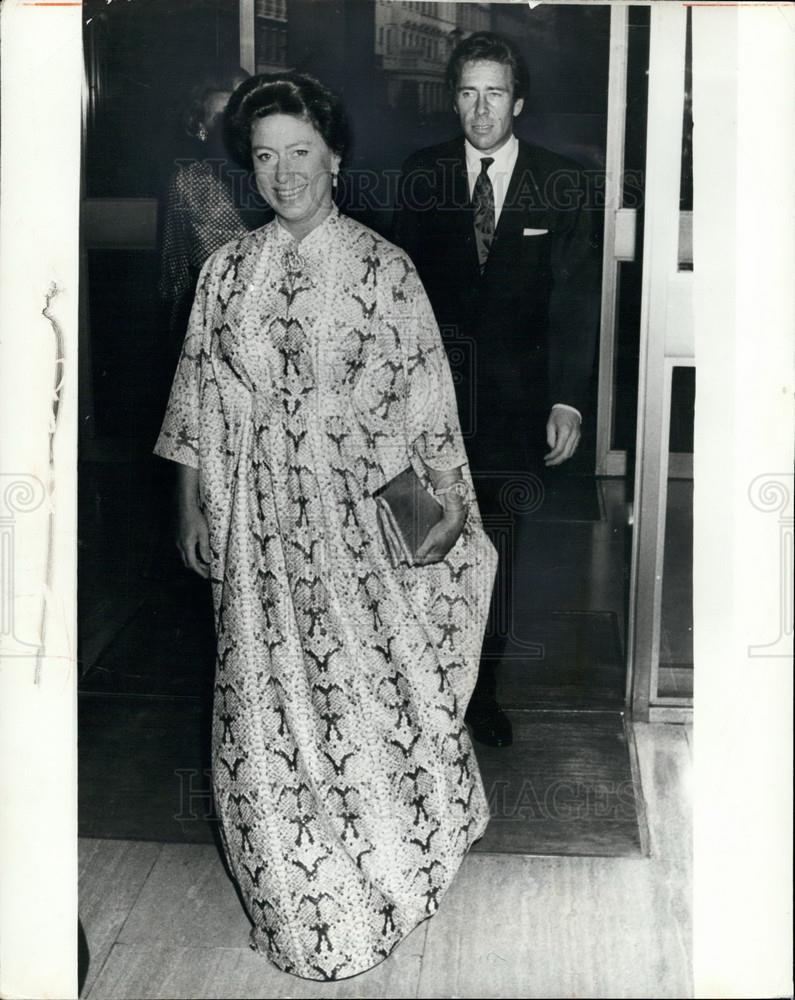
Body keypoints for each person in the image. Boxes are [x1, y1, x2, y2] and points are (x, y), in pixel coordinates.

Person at [153, 71, 497, 981]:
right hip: (258, 531)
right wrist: (189, 503)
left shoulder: (386, 270)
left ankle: (381, 878)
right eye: (264, 156)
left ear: (334, 156)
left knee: (371, 698)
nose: (283, 173)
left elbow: (428, 402)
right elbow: (197, 391)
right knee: (267, 707)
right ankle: (294, 903)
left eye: (300, 152)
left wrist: (448, 512)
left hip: (361, 527)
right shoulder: (228, 269)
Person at [393, 32, 601, 748]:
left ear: (518, 100)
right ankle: (423, 692)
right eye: (466, 93)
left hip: (513, 410)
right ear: (452, 98)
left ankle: (480, 693)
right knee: (421, 544)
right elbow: (398, 300)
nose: (479, 111)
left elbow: (573, 303)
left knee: (496, 549)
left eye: (494, 94)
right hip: (426, 409)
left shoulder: (562, 183)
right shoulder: (420, 176)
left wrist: (567, 399)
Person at [158, 63, 272, 349]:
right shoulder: (187, 181)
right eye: (221, 117)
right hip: (212, 325)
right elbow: (175, 268)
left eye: (243, 116)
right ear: (200, 128)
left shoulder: (277, 173)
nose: (234, 127)